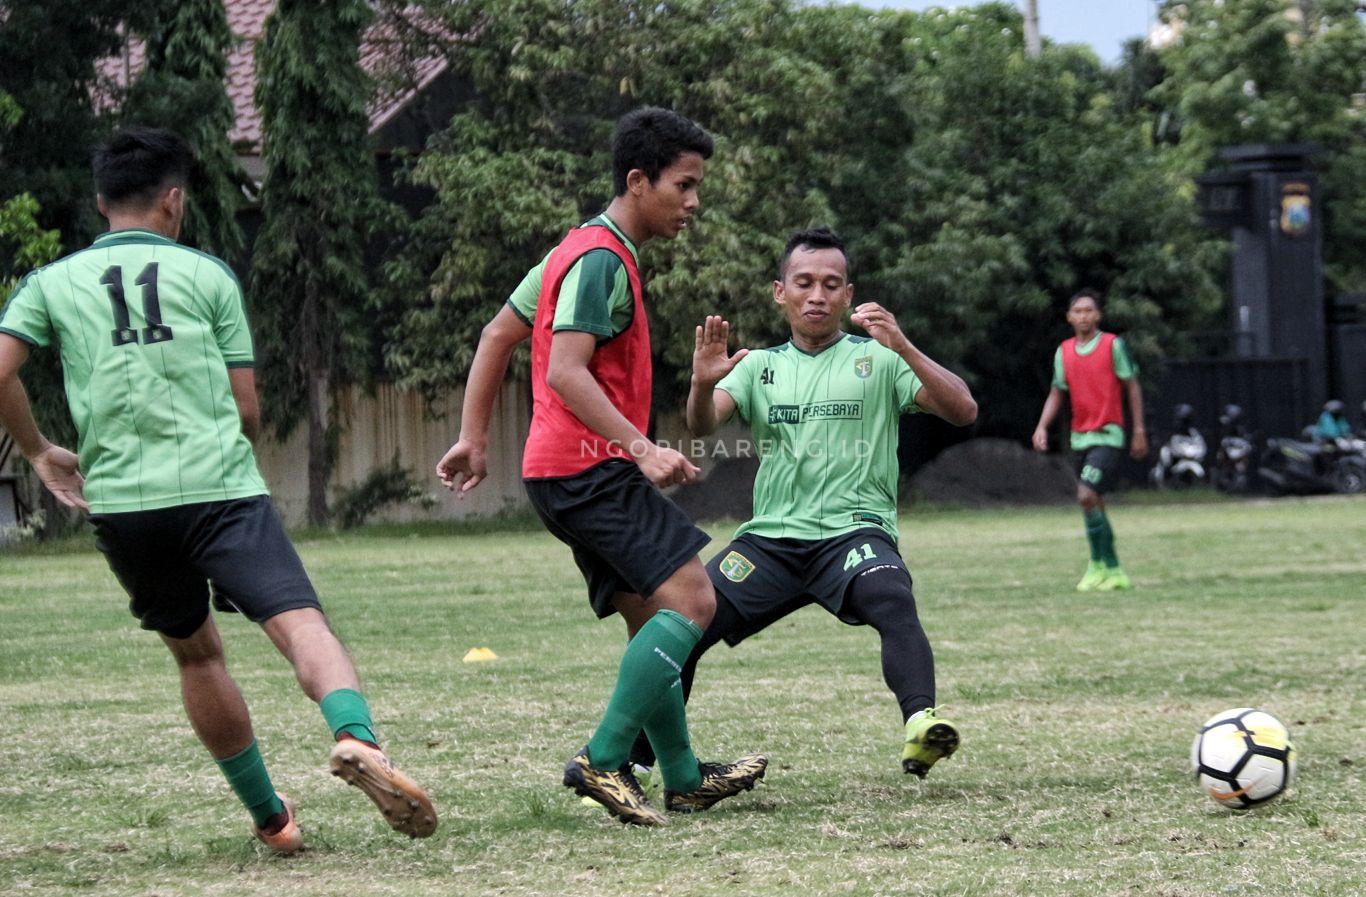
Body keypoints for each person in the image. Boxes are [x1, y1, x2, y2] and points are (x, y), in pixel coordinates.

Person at [0, 127, 435, 854]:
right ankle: (358, 738)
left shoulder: (51, 282)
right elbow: (248, 409)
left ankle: (273, 819)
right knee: (302, 626)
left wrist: (41, 449)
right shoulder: (208, 276)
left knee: (197, 655)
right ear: (174, 200)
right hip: (219, 489)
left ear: (100, 200)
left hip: (124, 505)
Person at [435, 107, 765, 827]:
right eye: (684, 185)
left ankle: (680, 775)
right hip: (589, 470)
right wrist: (642, 447)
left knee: (654, 612)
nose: (694, 202)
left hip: (562, 471)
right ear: (638, 180)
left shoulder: (573, 250)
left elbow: (498, 334)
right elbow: (565, 370)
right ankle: (604, 758)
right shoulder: (600, 260)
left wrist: (474, 437)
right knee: (694, 600)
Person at [626, 226, 977, 779]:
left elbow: (963, 410)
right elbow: (700, 424)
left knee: (891, 596)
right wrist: (700, 382)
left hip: (854, 533)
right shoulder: (757, 366)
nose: (818, 295)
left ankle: (921, 726)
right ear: (779, 291)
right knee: (683, 624)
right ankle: (638, 763)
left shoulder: (880, 360)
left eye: (831, 284)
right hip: (771, 540)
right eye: (805, 282)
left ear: (848, 294)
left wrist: (903, 345)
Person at [1031, 288, 1147, 591]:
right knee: (1093, 502)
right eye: (1077, 311)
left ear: (1098, 315)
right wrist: (1042, 426)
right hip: (1080, 438)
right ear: (1069, 317)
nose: (1083, 316)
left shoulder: (1112, 345)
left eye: (1089, 310)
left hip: (1109, 434)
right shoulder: (1064, 351)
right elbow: (1058, 391)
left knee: (1085, 494)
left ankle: (1098, 564)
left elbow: (1132, 385)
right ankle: (1113, 570)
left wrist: (1138, 430)